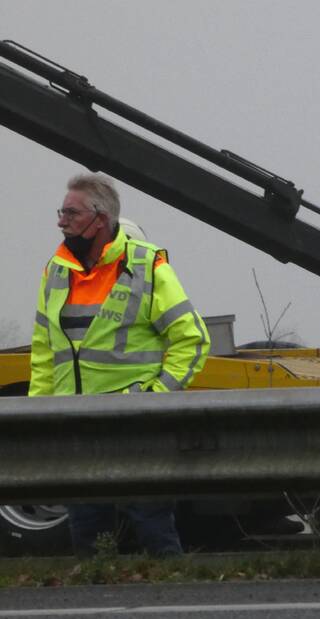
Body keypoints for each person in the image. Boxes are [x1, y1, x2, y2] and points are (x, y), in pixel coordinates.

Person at [30, 173, 210, 556]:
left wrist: (156, 397)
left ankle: (175, 603)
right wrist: (37, 415)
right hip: (74, 426)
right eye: (61, 211)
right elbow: (45, 354)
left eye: (70, 212)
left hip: (133, 426)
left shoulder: (146, 265)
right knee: (88, 540)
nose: (61, 220)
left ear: (101, 218)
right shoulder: (56, 270)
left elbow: (191, 339)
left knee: (154, 532)